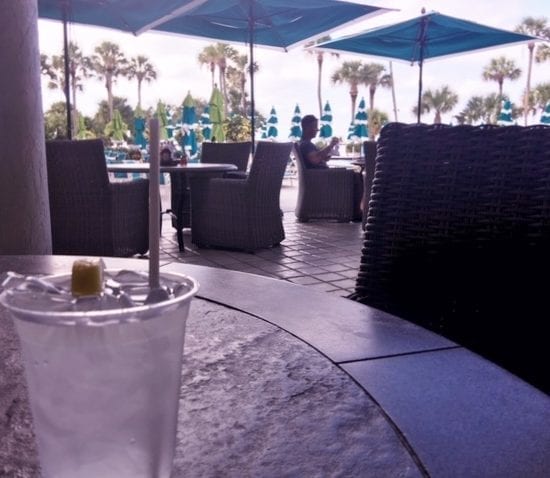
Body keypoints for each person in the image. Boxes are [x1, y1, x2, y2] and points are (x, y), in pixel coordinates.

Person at [298, 114, 363, 221]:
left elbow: (315, 158)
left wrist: (324, 157)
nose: (317, 130)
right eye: (315, 127)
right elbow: (315, 159)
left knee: (355, 175)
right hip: (322, 178)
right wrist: (331, 145)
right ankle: (356, 212)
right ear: (307, 127)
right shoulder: (306, 145)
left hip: (318, 176)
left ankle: (352, 210)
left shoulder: (304, 144)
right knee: (356, 176)